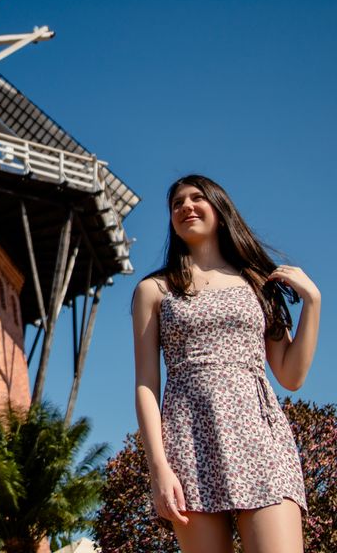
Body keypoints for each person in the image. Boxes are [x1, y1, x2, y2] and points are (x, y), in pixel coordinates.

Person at [132, 174, 321, 553]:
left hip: (260, 437)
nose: (186, 206)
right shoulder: (155, 290)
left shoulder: (257, 283)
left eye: (197, 197)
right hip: (190, 440)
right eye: (176, 203)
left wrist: (313, 303)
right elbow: (146, 384)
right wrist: (159, 469)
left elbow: (290, 375)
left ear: (219, 208)